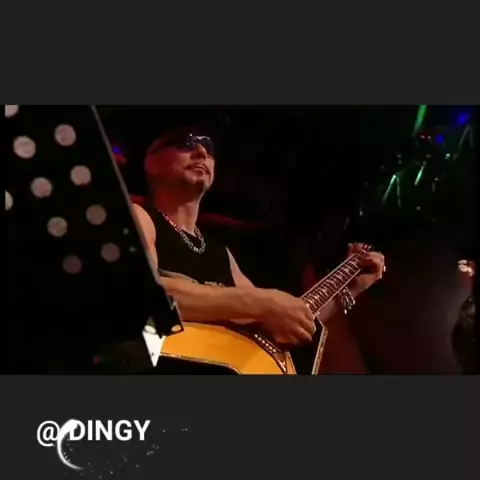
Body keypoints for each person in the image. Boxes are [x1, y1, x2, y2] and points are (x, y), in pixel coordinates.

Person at [132, 126, 386, 372]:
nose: (201, 152)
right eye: (185, 143)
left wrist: (351, 287)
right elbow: (140, 290)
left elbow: (283, 324)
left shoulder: (220, 252)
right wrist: (259, 302)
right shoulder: (140, 217)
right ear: (151, 163)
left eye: (208, 149)